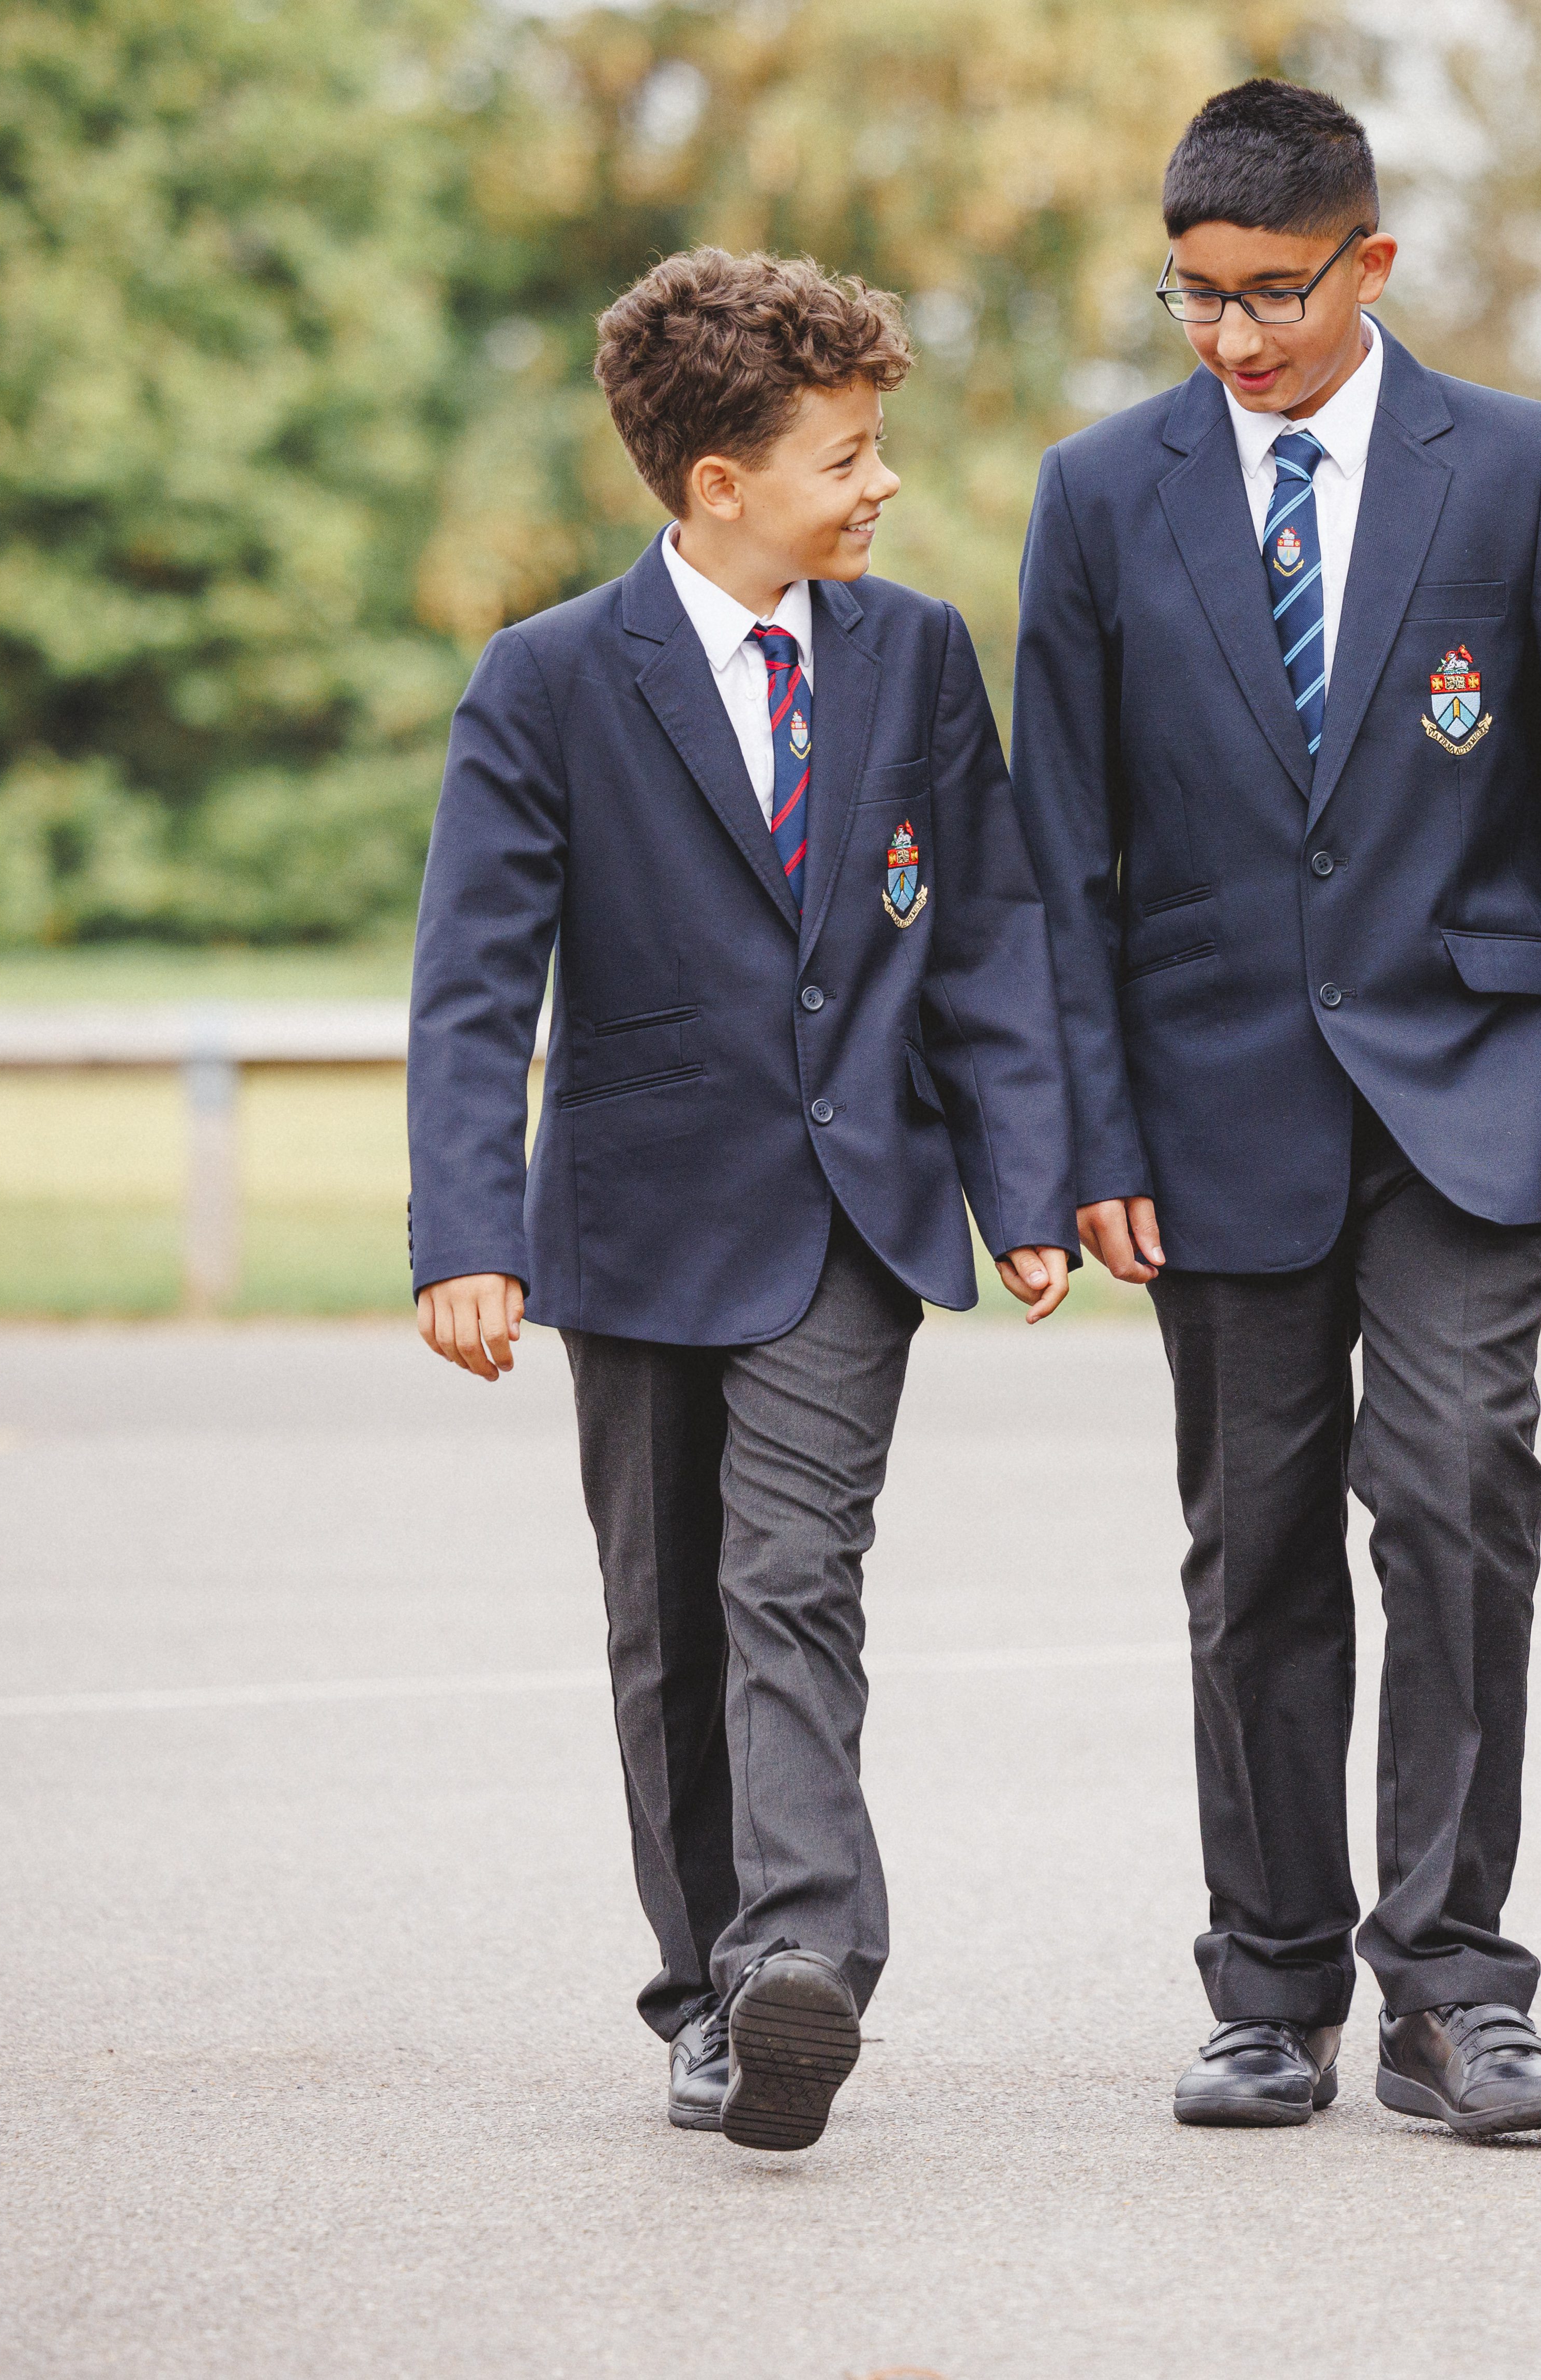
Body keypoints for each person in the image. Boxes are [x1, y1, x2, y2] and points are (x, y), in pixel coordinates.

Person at [1011, 79, 1541, 2142]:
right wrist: (1084, 1136)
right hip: (1205, 1111)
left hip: (1475, 1090)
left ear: (1370, 262)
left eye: (1271, 293)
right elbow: (1062, 858)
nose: (1231, 336)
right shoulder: (1099, 496)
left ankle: (1456, 1988)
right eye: (1194, 297)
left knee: (1463, 1487)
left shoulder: (1519, 467)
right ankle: (1270, 1988)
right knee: (1253, 1554)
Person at [406, 248, 1077, 2155]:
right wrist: (469, 1234)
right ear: (718, 482)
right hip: (630, 1219)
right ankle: (705, 1987)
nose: (882, 487)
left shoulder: (919, 655)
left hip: (851, 1211)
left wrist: (1020, 1179)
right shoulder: (544, 681)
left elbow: (987, 938)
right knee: (665, 1618)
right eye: (846, 457)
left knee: (793, 1576)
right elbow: (474, 976)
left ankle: (801, 1963)